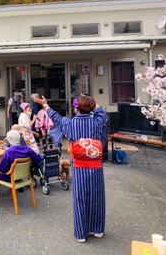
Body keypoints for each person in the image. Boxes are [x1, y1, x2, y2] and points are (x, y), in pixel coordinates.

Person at [42, 95, 107, 243]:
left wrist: (46, 105)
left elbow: (55, 117)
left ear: (76, 108)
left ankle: (81, 233)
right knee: (97, 197)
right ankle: (97, 230)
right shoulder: (97, 122)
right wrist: (93, 103)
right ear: (90, 108)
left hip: (79, 166)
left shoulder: (70, 123)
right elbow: (102, 113)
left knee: (80, 199)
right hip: (95, 165)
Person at [0, 130, 42, 196]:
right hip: (24, 175)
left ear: (9, 140)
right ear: (19, 139)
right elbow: (38, 158)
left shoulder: (8, 152)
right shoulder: (27, 149)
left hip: (10, 177)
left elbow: (2, 169)